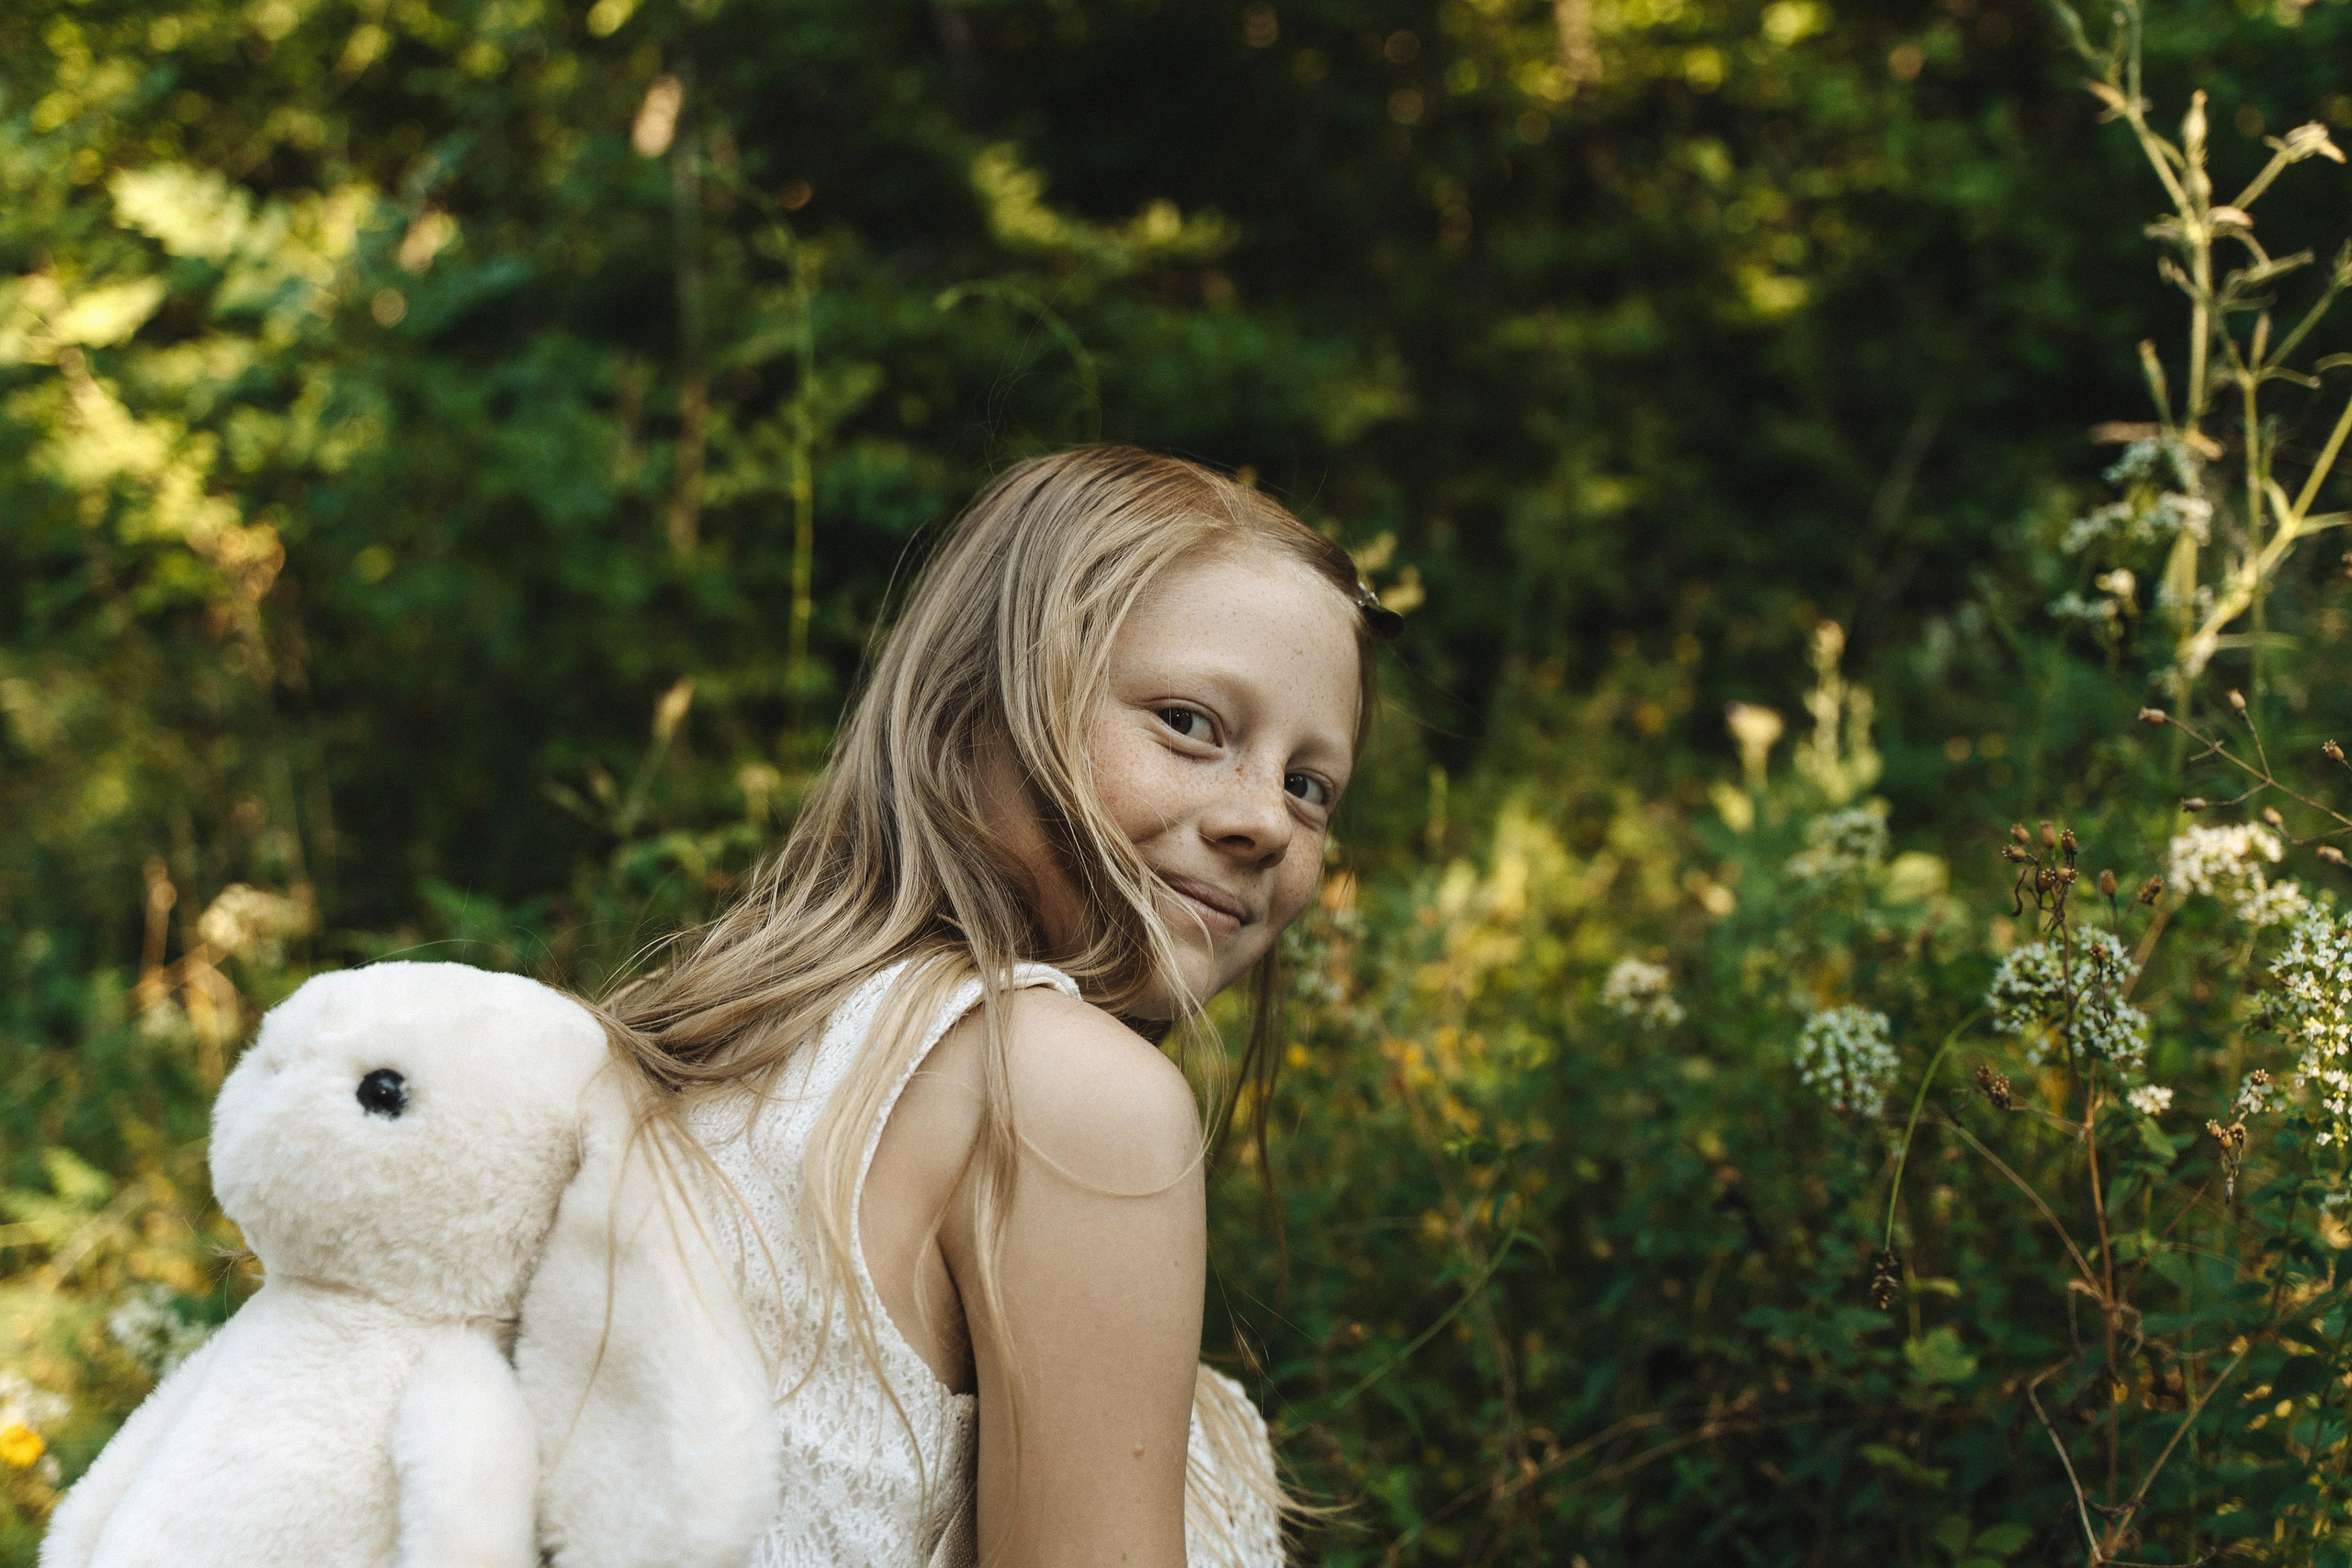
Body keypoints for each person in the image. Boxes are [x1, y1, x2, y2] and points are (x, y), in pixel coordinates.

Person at [604, 447, 1388, 1568]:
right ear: (977, 707)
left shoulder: (739, 1055)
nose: (1263, 817)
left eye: (1310, 785)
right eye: (1188, 723)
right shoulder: (1066, 1092)